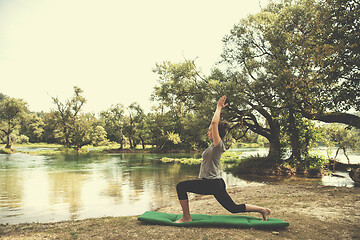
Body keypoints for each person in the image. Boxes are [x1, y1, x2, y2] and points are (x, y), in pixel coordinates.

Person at [174, 95, 271, 223]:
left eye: (210, 131)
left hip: (211, 183)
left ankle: (186, 217)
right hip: (215, 183)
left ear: (216, 134)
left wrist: (219, 107)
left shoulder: (217, 145)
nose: (208, 133)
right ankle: (262, 210)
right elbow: (213, 124)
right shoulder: (212, 147)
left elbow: (214, 123)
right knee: (233, 208)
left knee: (181, 186)